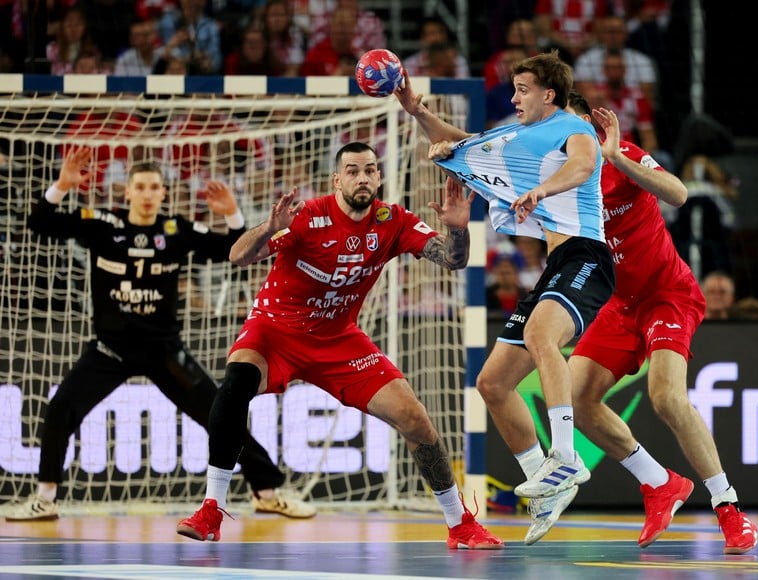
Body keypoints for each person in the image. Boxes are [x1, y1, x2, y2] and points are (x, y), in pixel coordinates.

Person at [175, 142, 503, 550]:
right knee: (235, 384)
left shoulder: (393, 220)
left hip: (338, 338)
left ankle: (460, 524)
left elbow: (453, 260)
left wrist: (458, 228)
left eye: (369, 169)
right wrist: (268, 226)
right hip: (276, 330)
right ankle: (211, 509)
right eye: (352, 170)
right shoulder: (309, 216)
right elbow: (238, 256)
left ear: (379, 177)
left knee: (414, 418)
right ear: (337, 179)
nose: (362, 177)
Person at [5, 146, 315, 523]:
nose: (148, 193)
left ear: (164, 193)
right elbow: (41, 223)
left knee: (222, 413)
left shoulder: (176, 230)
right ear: (127, 192)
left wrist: (232, 213)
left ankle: (266, 493)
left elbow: (231, 250)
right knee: (60, 408)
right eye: (141, 186)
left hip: (165, 352)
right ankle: (45, 499)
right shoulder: (102, 224)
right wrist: (62, 185)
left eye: (155, 187)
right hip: (110, 350)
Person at [501, 94, 756, 552]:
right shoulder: (555, 179)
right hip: (616, 304)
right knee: (576, 399)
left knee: (666, 396)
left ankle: (728, 506)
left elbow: (677, 193)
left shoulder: (620, 155)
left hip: (666, 295)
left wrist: (618, 155)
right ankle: (660, 484)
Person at [395, 52, 615, 502]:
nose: (513, 97)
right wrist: (418, 112)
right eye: (513, 88)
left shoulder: (574, 127)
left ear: (548, 94)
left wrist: (543, 188)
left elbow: (583, 165)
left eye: (523, 90)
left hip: (586, 255)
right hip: (556, 265)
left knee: (540, 337)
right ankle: (546, 488)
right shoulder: (519, 135)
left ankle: (567, 456)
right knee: (492, 382)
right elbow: (462, 143)